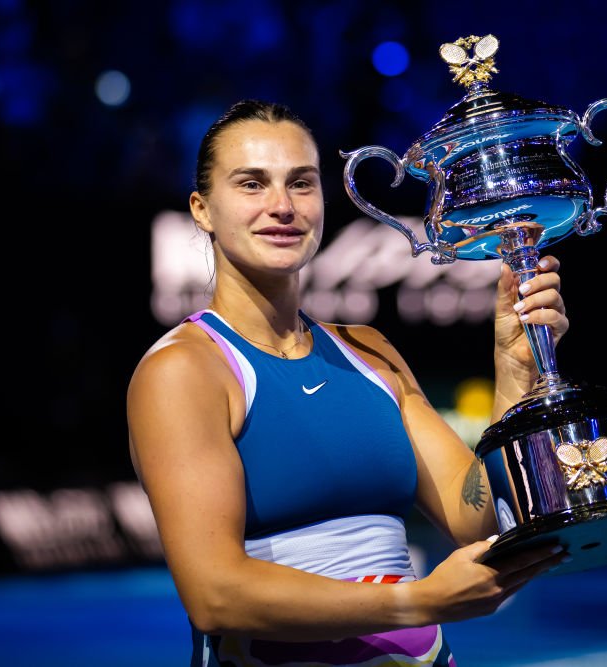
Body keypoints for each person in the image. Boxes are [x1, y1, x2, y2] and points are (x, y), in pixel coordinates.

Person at [126, 99, 571, 666]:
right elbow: (216, 597)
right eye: (252, 184)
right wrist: (415, 602)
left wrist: (514, 369)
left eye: (301, 184)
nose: (281, 206)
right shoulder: (183, 372)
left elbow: (475, 518)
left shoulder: (369, 350)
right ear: (203, 209)